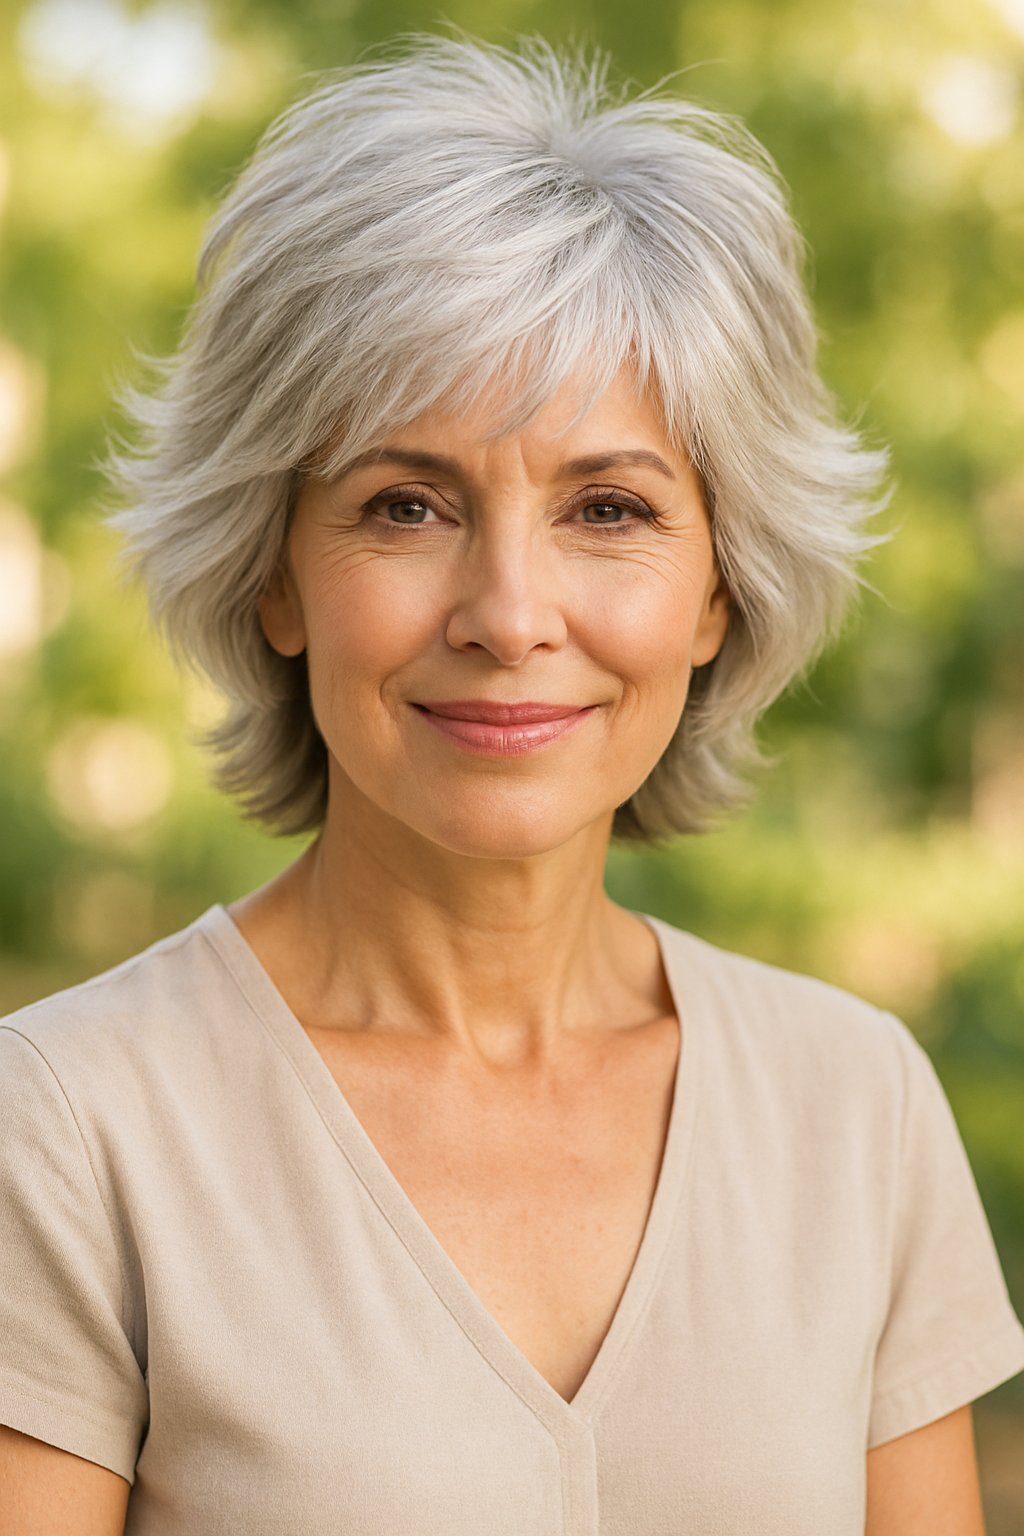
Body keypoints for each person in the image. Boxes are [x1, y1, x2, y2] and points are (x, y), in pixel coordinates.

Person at [1, 32, 1021, 1536]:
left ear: (718, 591)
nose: (510, 609)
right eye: (404, 504)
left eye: (610, 508)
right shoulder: (69, 1126)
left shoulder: (854, 1108)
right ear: (275, 576)